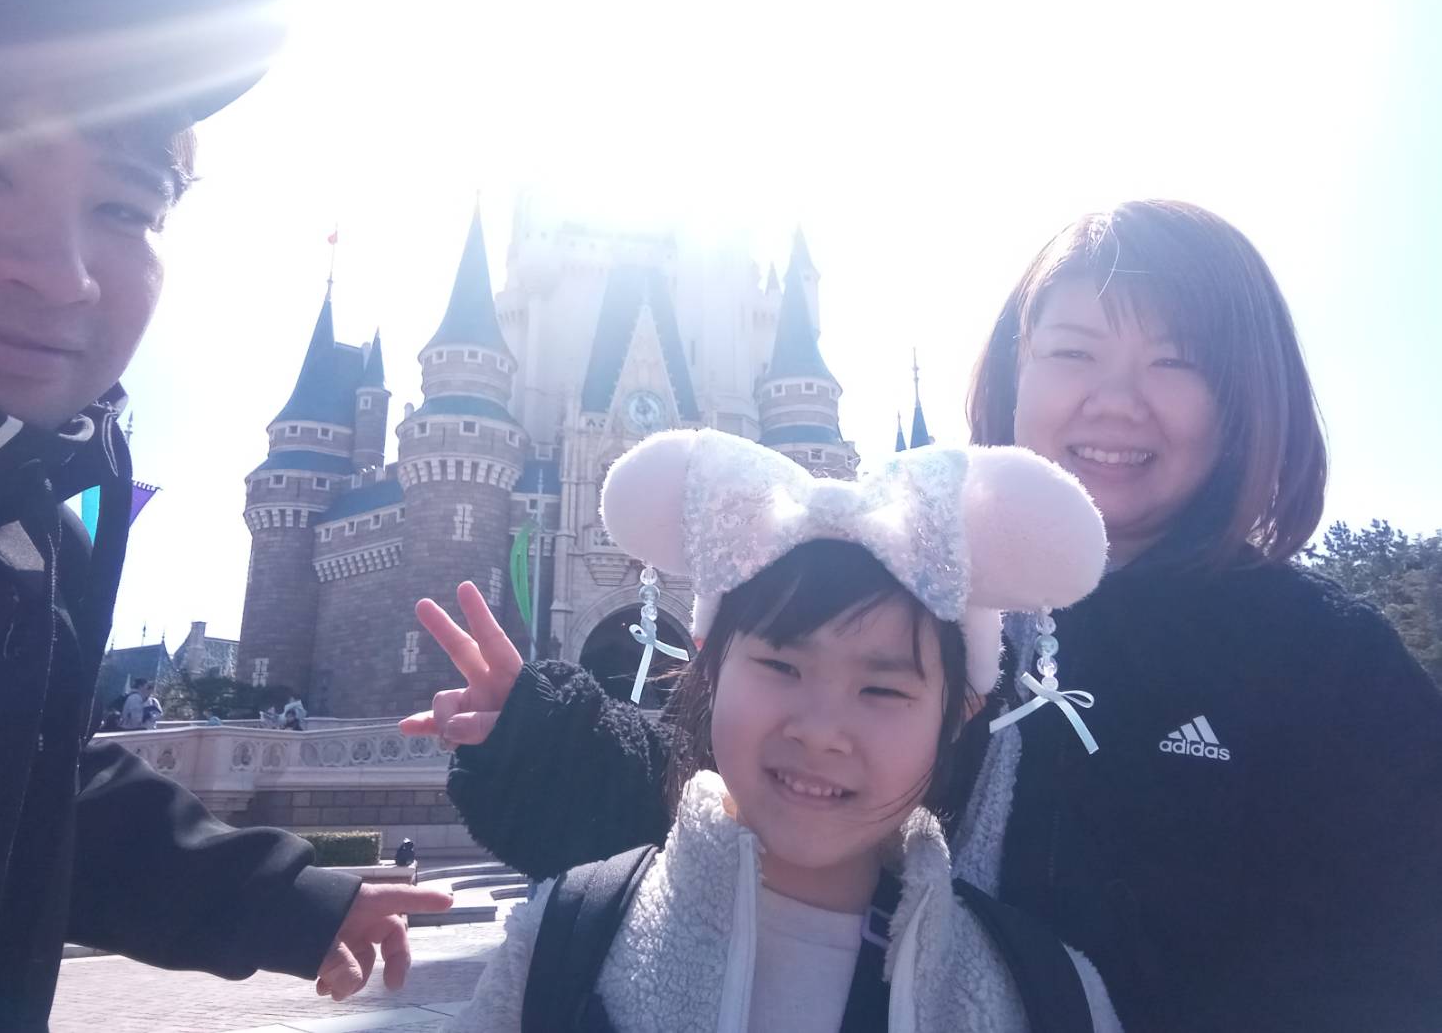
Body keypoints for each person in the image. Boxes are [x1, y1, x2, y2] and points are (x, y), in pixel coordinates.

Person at [408, 201, 1442, 1032]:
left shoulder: (1324, 670)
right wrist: (539, 737)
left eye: (1175, 362)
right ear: (1015, 373)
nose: (1113, 399)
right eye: (1073, 353)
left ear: (1246, 397)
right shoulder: (922, 600)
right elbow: (764, 805)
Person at [0, 0, 450, 1029]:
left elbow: (24, 790)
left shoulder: (30, 523)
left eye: (126, 208)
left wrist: (286, 899)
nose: (60, 272)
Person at [447, 429, 1118, 1031]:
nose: (820, 731)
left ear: (958, 714)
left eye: (882, 689)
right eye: (780, 666)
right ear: (709, 667)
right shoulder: (563, 940)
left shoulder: (1042, 996)